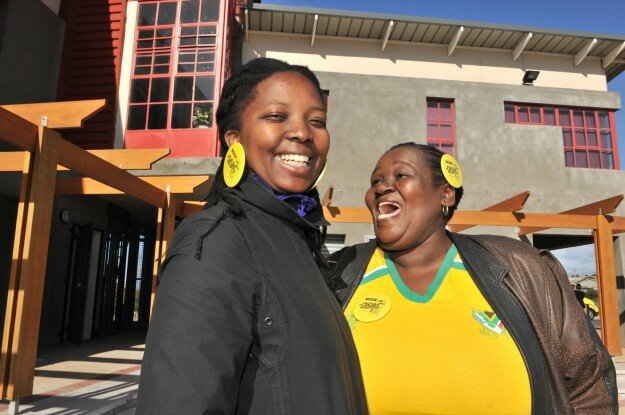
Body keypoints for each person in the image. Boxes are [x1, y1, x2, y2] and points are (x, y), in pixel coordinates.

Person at [136, 58, 368, 414]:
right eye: (277, 116)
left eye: (316, 120)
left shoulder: (300, 241)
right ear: (234, 139)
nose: (302, 133)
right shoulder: (215, 240)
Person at [329, 142, 616, 414]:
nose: (381, 187)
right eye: (375, 182)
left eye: (401, 175)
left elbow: (587, 380)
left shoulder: (522, 268)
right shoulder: (338, 273)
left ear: (445, 194)